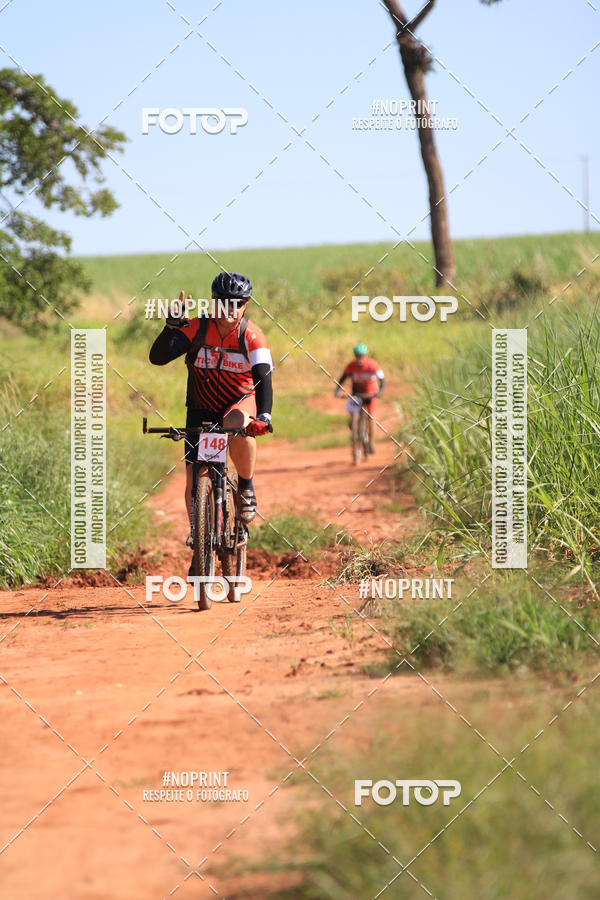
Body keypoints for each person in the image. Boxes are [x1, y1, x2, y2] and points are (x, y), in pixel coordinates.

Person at [149, 272, 273, 531]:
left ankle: (246, 486)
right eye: (223, 302)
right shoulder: (197, 327)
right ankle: (199, 537)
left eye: (236, 303)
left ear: (245, 305)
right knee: (195, 478)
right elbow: (158, 358)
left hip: (239, 402)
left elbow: (263, 377)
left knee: (239, 425)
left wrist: (264, 416)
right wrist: (170, 328)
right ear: (213, 302)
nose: (229, 309)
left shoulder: (252, 335)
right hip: (200, 408)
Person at [334, 343, 384, 453]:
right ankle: (355, 426)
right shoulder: (351, 366)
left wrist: (379, 392)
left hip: (370, 393)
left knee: (371, 416)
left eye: (361, 356)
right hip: (356, 393)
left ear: (366, 356)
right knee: (353, 414)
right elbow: (343, 378)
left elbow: (382, 380)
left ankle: (371, 442)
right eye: (357, 356)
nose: (359, 358)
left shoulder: (372, 365)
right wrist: (337, 390)